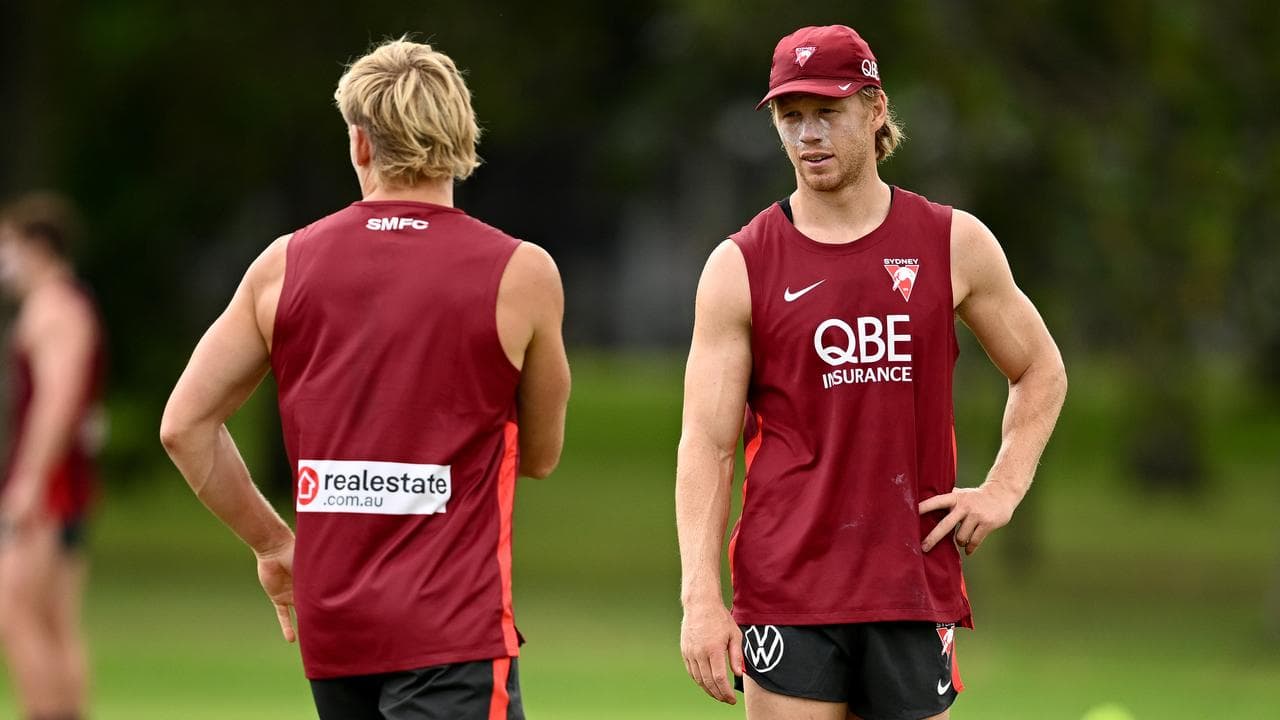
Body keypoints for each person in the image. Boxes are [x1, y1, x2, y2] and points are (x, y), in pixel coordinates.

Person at [161, 38, 570, 720]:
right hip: (453, 631)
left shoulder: (282, 265)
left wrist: (273, 545)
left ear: (359, 145)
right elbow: (541, 455)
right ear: (461, 136)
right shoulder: (522, 271)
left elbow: (185, 426)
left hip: (335, 633)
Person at [676, 24, 1067, 720]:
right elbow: (708, 445)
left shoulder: (952, 243)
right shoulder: (740, 266)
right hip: (786, 587)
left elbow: (1040, 370)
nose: (808, 136)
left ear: (875, 108)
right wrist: (700, 598)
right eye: (791, 118)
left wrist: (1004, 489)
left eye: (827, 111)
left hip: (911, 583)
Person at [0, 193, 105, 720]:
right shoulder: (69, 305)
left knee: (15, 614)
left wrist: (29, 481)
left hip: (51, 489)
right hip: (65, 486)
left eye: (9, 246)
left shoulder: (54, 309)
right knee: (53, 620)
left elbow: (57, 402)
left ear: (36, 247)